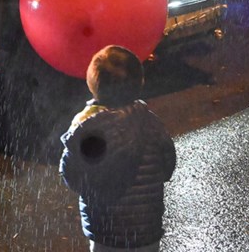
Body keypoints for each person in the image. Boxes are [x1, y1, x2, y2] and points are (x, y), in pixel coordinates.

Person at [60, 45, 176, 252]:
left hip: (106, 232)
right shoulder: (151, 122)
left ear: (92, 85)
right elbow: (167, 167)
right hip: (146, 229)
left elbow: (71, 175)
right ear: (140, 81)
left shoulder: (87, 127)